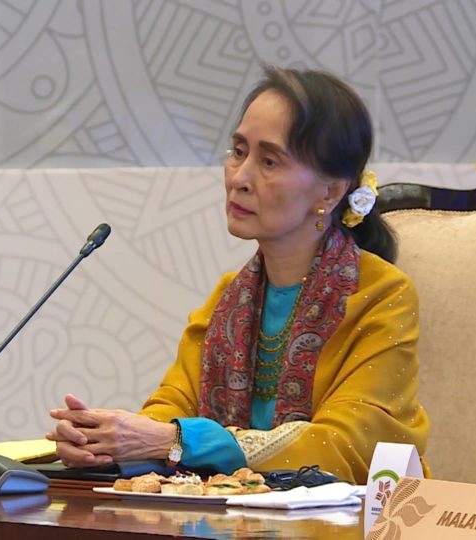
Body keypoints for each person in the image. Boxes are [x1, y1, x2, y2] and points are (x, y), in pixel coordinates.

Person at [46, 66, 430, 484]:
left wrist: (174, 440)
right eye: (238, 151)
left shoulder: (381, 295)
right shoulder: (229, 298)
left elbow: (345, 448)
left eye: (268, 161)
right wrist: (106, 440)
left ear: (331, 192)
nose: (240, 178)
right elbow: (172, 405)